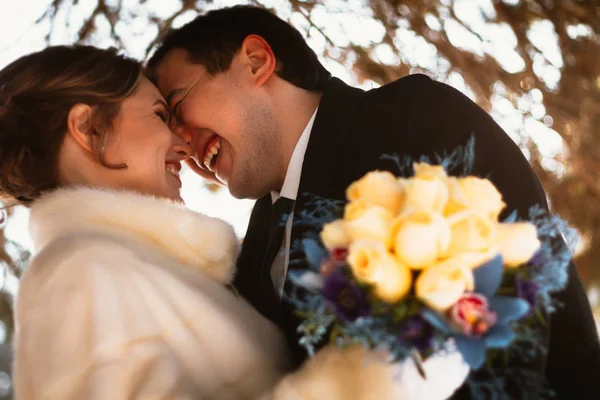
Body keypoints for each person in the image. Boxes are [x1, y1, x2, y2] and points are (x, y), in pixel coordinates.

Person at [147, 4, 600, 398]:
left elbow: (515, 309)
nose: (180, 144)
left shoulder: (413, 119)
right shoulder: (256, 246)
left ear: (256, 60)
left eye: (177, 103)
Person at [0, 45, 414, 400]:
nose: (183, 147)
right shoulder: (76, 274)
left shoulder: (137, 270)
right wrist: (378, 374)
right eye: (161, 116)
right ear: (88, 129)